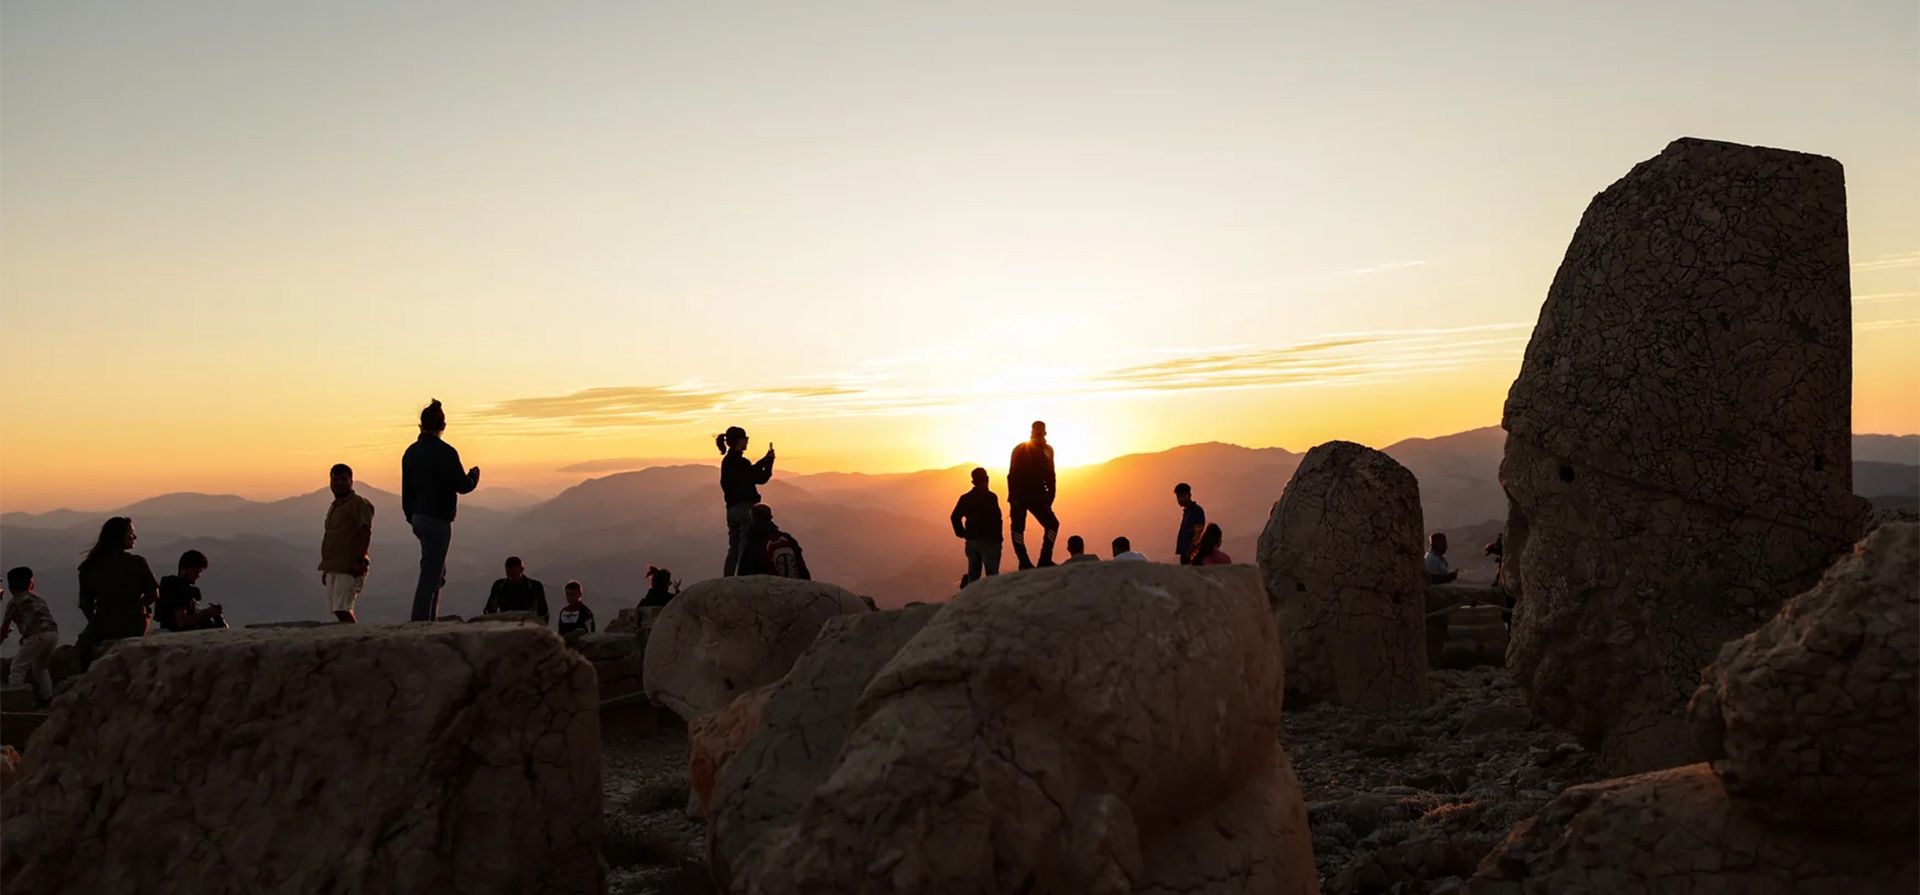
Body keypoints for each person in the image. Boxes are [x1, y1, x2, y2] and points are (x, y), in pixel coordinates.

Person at [403, 399, 480, 621]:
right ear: (443, 426)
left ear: (421, 425)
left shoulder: (410, 452)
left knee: (437, 571)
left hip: (418, 517)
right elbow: (463, 485)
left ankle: (431, 620)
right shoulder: (446, 452)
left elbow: (406, 491)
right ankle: (420, 625)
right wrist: (474, 476)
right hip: (437, 520)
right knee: (430, 576)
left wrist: (411, 518)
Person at [75, 517, 159, 670]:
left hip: (106, 622)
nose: (134, 537)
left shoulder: (90, 566)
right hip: (136, 622)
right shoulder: (137, 562)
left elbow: (85, 604)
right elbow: (153, 594)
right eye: (131, 533)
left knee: (81, 650)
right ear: (120, 535)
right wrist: (138, 606)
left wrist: (96, 621)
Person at [319, 463, 375, 623]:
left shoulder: (359, 504)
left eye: (343, 479)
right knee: (336, 608)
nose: (338, 483)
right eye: (335, 479)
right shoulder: (335, 505)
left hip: (349, 566)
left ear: (351, 481)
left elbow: (365, 532)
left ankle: (356, 640)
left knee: (342, 608)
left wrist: (359, 560)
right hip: (334, 566)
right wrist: (327, 567)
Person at [717, 426, 776, 577]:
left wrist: (765, 461)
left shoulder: (727, 462)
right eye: (745, 438)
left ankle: (728, 579)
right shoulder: (740, 462)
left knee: (734, 548)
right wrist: (768, 462)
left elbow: (750, 473)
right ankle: (743, 578)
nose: (747, 441)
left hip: (731, 510)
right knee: (745, 546)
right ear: (739, 441)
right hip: (745, 509)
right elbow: (759, 477)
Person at [1006, 420, 1060, 570]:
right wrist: (1014, 498)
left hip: (1034, 496)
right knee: (1019, 529)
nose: (1038, 433)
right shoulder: (1022, 449)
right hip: (1026, 496)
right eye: (1036, 430)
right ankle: (1028, 561)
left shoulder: (1045, 450)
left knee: (1050, 525)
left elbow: (1051, 475)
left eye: (1039, 430)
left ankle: (1041, 559)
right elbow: (1012, 474)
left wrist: (1050, 497)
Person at [1, 567, 58, 705]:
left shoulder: (14, 602)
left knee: (17, 667)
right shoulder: (38, 599)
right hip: (52, 634)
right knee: (40, 667)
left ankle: (15, 699)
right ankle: (47, 697)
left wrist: (2, 636)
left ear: (10, 587)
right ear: (31, 583)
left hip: (35, 636)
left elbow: (5, 627)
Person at [949, 467, 1003, 586]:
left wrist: (963, 534)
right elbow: (997, 519)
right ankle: (991, 601)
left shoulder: (966, 498)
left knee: (973, 577)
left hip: (972, 541)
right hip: (990, 542)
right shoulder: (991, 497)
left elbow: (954, 517)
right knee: (992, 577)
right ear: (987, 479)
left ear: (973, 482)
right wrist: (998, 540)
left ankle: (971, 601)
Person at [155, 550, 224, 632]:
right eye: (195, 571)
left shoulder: (182, 588)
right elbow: (182, 621)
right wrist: (207, 613)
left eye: (200, 571)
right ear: (183, 569)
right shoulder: (176, 588)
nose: (198, 575)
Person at [737, 504, 810, 579]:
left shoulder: (753, 543)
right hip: (794, 585)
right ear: (771, 517)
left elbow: (743, 575)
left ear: (752, 519)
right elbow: (802, 569)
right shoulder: (788, 539)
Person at [484, 556, 549, 618]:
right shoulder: (499, 586)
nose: (511, 577)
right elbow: (489, 612)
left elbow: (543, 613)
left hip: (528, 626)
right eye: (508, 573)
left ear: (522, 570)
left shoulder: (535, 587)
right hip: (505, 626)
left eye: (515, 573)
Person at [1173, 483, 1207, 566]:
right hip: (1185, 554)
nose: (1180, 499)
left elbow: (1198, 533)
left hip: (1192, 556)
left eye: (1182, 496)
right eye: (1178, 497)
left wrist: (1190, 552)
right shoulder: (1187, 512)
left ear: (1189, 495)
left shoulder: (1196, 511)